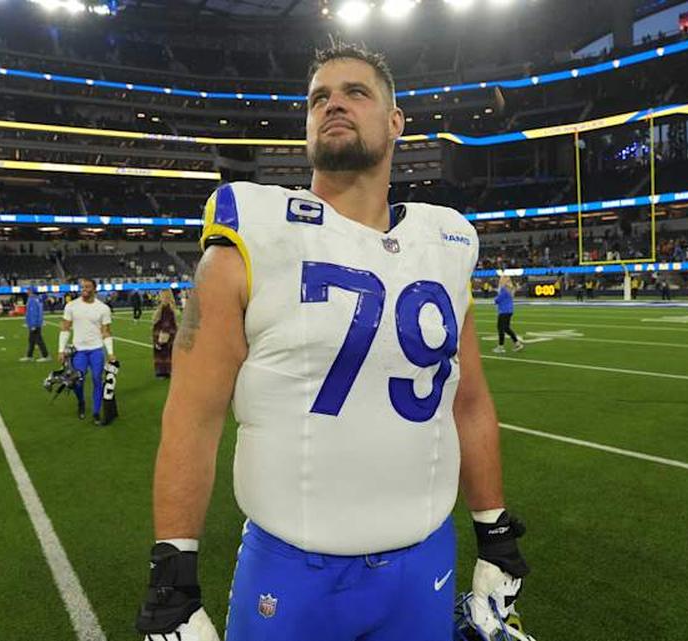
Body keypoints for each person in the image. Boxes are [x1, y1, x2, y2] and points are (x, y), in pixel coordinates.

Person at [135, 43, 531, 641]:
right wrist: (172, 573)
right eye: (319, 97)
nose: (333, 105)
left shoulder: (444, 243)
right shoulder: (249, 238)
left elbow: (468, 402)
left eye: (355, 93)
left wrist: (494, 529)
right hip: (293, 569)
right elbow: (193, 416)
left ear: (396, 123)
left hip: (423, 558)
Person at [57, 278, 115, 424]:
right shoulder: (71, 306)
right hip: (79, 351)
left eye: (87, 286)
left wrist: (110, 352)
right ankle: (81, 402)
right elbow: (65, 328)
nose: (84, 289)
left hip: (96, 349)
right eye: (82, 286)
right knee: (77, 381)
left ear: (95, 289)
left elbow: (106, 332)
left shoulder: (103, 308)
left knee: (97, 379)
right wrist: (61, 350)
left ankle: (96, 412)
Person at [493, 275, 524, 354]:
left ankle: (501, 346)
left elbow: (498, 299)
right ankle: (517, 343)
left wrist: (495, 299)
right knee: (506, 328)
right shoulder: (510, 289)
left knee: (501, 328)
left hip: (503, 311)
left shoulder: (504, 289)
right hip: (509, 310)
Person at [151, 289, 177, 378]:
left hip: (164, 335)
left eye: (161, 295)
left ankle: (164, 371)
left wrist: (161, 338)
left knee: (164, 353)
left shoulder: (166, 308)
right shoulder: (167, 307)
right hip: (166, 334)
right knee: (167, 353)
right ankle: (166, 371)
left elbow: (166, 323)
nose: (159, 296)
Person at [21, 288, 49, 362]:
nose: (27, 291)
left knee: (38, 340)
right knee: (32, 340)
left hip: (35, 324)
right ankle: (29, 356)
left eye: (28, 290)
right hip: (36, 323)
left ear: (31, 292)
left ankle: (45, 355)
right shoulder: (36, 299)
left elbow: (33, 313)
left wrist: (32, 324)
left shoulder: (32, 300)